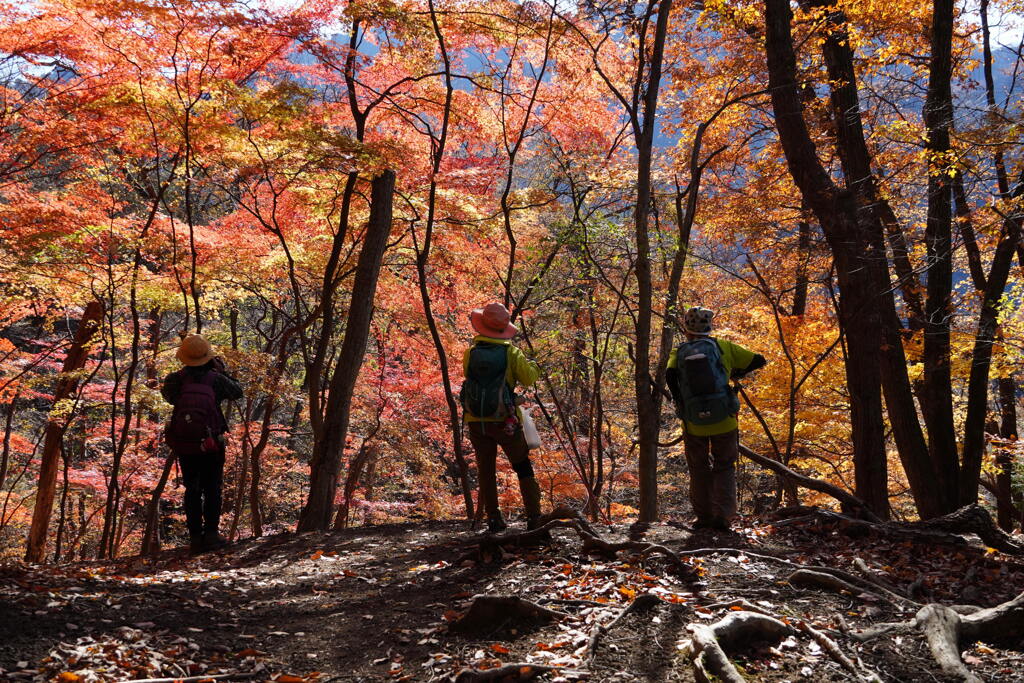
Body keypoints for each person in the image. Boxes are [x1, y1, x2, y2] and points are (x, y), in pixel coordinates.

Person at [666, 307, 765, 531]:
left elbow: (670, 377)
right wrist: (734, 373)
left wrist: (681, 404)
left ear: (687, 328)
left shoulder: (678, 352)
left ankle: (704, 518)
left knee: (698, 468)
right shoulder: (722, 347)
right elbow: (759, 360)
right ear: (709, 327)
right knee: (725, 466)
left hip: (693, 422)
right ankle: (724, 517)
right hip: (725, 419)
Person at [461, 302, 544, 533]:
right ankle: (534, 517)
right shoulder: (511, 353)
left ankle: (494, 519)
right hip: (505, 421)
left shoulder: (471, 352)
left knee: (485, 470)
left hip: (476, 421)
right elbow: (528, 379)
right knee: (523, 466)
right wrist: (535, 365)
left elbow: (469, 378)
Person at [162, 334, 242, 554]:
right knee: (213, 486)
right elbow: (238, 392)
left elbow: (168, 398)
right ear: (208, 356)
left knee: (192, 488)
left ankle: (195, 537)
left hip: (185, 443)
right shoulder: (216, 379)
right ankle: (212, 535)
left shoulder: (175, 379)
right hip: (212, 442)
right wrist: (221, 371)